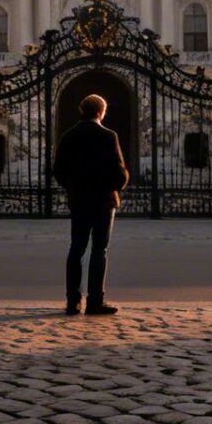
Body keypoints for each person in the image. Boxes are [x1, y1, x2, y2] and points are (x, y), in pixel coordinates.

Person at [53, 93, 129, 316]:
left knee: (76, 249)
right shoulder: (108, 136)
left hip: (79, 199)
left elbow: (58, 170)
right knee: (99, 250)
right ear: (100, 112)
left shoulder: (68, 136)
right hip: (104, 201)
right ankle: (95, 300)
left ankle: (73, 301)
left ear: (82, 110)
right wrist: (117, 184)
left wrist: (73, 187)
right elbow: (119, 171)